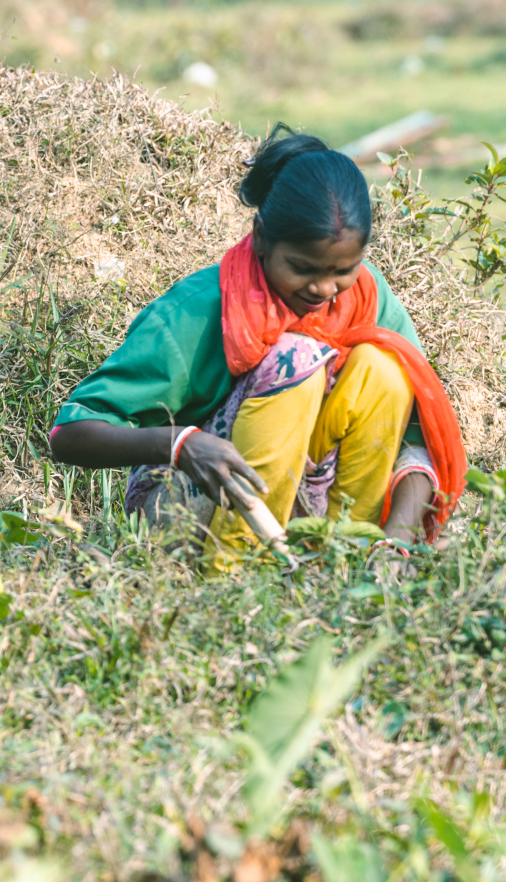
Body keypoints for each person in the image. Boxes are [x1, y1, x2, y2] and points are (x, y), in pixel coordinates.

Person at [48, 125, 466, 570]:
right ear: (262, 237)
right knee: (297, 360)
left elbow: (416, 443)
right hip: (190, 515)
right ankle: (237, 578)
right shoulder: (198, 310)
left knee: (385, 366)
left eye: (343, 270)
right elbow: (69, 436)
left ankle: (346, 566)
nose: (324, 288)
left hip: (307, 509)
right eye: (302, 268)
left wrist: (396, 542)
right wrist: (180, 444)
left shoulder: (368, 298)